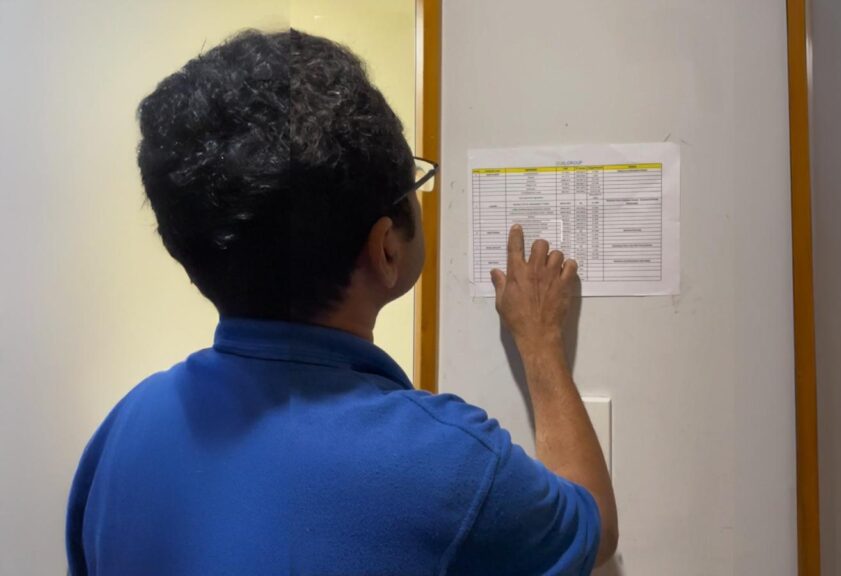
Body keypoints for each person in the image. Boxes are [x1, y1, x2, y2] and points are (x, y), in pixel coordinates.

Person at [66, 29, 617, 575]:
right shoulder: (450, 466)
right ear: (386, 249)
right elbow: (595, 528)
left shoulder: (126, 431)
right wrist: (541, 344)